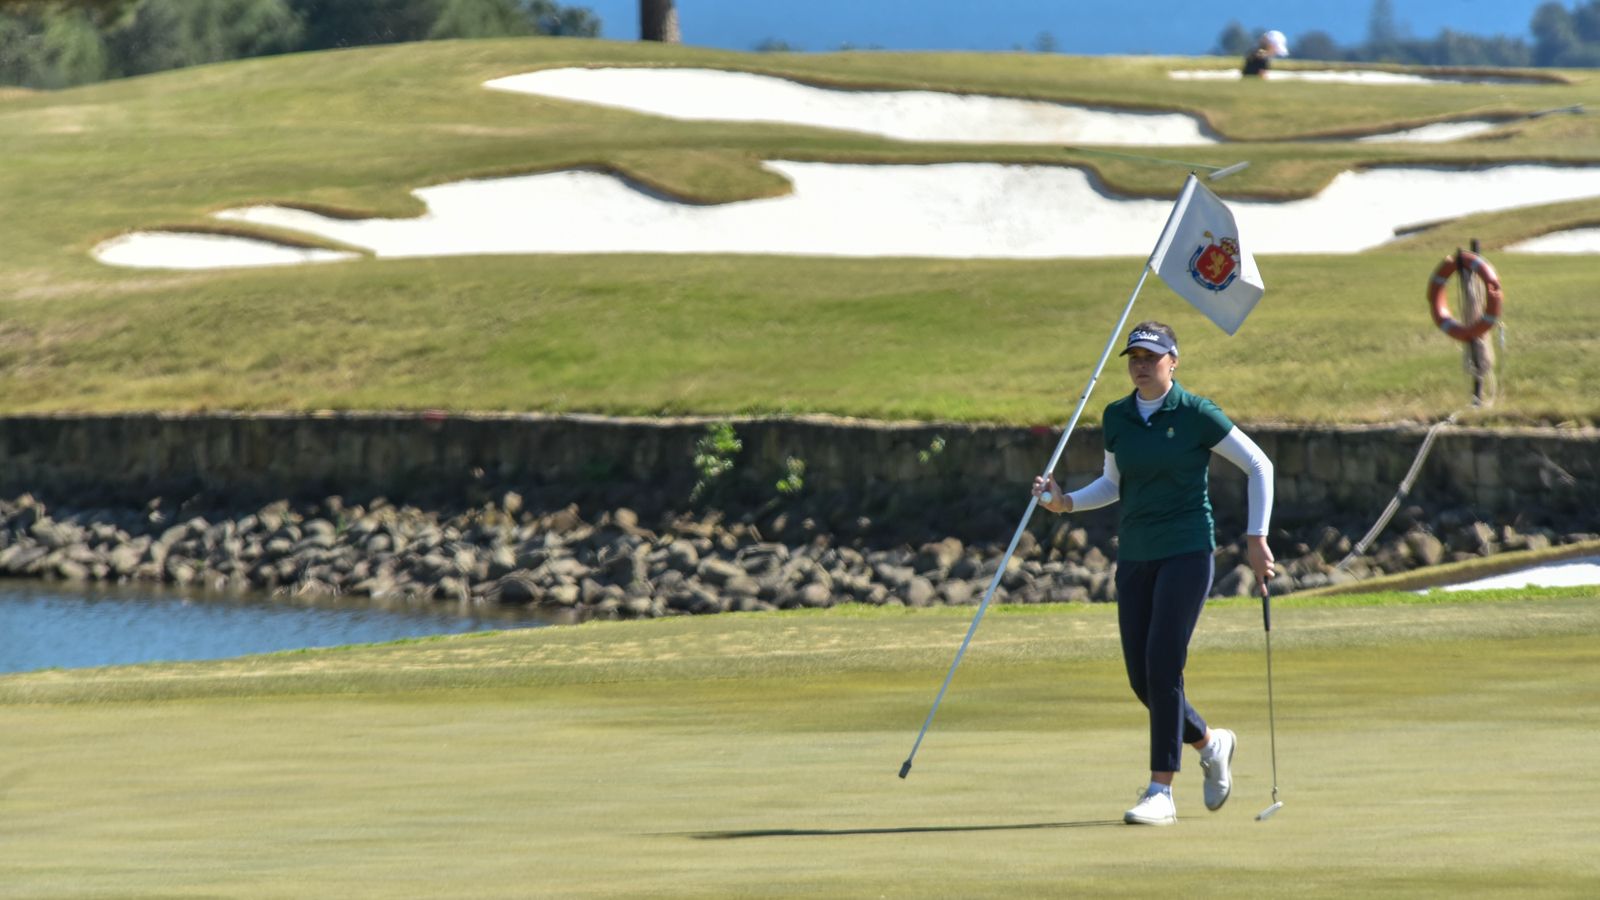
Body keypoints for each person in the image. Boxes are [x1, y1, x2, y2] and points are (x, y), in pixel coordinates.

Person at [1032, 321, 1275, 826]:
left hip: (1187, 551)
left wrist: (1256, 538)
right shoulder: (1117, 415)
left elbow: (1259, 466)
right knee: (1143, 680)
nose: (1141, 364)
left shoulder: (1196, 413)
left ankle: (1160, 791)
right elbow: (1113, 483)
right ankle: (1212, 743)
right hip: (1137, 554)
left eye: (1151, 356)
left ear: (1173, 361)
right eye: (1134, 357)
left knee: (1164, 665)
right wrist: (1065, 503)